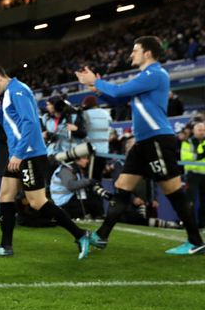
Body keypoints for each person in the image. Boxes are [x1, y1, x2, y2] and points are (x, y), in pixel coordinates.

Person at [76, 35, 205, 255]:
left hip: (157, 140)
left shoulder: (155, 74)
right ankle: (102, 236)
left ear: (147, 53)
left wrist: (95, 82)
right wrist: (97, 89)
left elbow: (117, 91)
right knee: (123, 186)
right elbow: (117, 100)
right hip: (143, 143)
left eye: (135, 50)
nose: (130, 54)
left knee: (172, 190)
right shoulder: (145, 78)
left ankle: (195, 241)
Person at [0, 62, 91, 259]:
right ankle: (6, 246)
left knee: (37, 202)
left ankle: (80, 234)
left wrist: (19, 153)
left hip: (27, 154)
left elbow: (30, 123)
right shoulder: (10, 93)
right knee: (5, 195)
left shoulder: (18, 91)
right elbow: (10, 123)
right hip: (18, 154)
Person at [50, 156, 106, 220]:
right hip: (64, 203)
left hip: (69, 199)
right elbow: (71, 186)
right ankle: (99, 217)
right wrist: (88, 181)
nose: (87, 161)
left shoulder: (74, 169)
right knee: (93, 203)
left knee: (94, 198)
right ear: (77, 160)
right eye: (85, 158)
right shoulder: (65, 169)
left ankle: (99, 216)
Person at [80, 95, 112, 180]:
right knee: (98, 178)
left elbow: (80, 132)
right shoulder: (105, 113)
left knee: (90, 180)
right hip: (104, 152)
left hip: (91, 152)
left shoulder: (85, 114)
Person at [180, 121, 205, 228]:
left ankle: (202, 224)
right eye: (199, 130)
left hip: (204, 175)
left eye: (204, 130)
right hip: (192, 175)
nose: (202, 132)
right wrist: (201, 155)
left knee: (204, 202)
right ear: (194, 131)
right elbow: (185, 158)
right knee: (190, 201)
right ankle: (188, 224)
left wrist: (197, 156)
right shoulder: (187, 142)